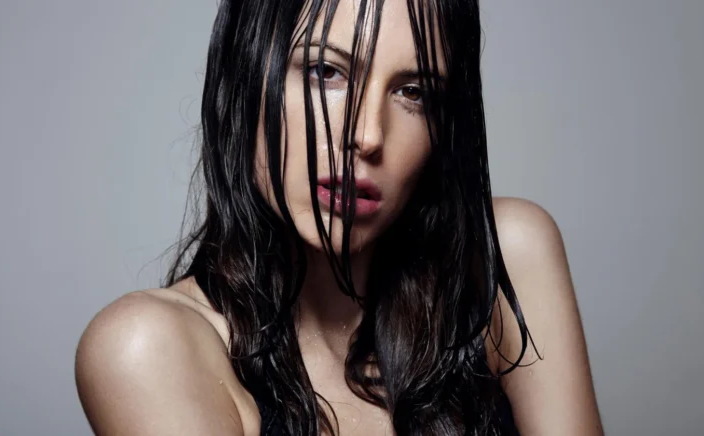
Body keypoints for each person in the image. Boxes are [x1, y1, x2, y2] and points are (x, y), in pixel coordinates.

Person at [74, 0, 603, 434]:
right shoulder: (147, 348)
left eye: (413, 92)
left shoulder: (503, 258)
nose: (368, 135)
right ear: (245, 73)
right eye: (325, 71)